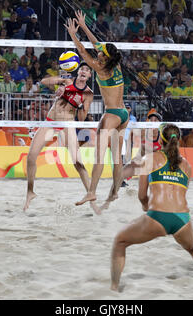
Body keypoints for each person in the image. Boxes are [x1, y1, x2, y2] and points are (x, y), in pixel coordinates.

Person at [110, 123, 193, 291]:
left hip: (158, 216)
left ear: (160, 139)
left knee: (119, 241)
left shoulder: (150, 158)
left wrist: (145, 206)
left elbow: (142, 195)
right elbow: (182, 194)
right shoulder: (187, 165)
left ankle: (113, 287)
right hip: (182, 219)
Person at [66, 11, 129, 206]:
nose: (98, 51)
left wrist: (73, 34)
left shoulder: (101, 69)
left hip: (111, 114)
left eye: (101, 52)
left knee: (99, 155)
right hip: (124, 113)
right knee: (116, 157)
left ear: (105, 57)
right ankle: (114, 192)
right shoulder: (115, 64)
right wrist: (84, 26)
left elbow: (83, 53)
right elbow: (95, 44)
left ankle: (92, 192)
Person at [23, 62, 94, 211]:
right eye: (82, 68)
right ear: (78, 71)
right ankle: (30, 191)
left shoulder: (88, 93)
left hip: (67, 124)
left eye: (87, 70)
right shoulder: (68, 81)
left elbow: (81, 118)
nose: (83, 71)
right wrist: (60, 82)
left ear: (89, 76)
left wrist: (78, 104)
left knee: (78, 162)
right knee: (31, 156)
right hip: (50, 121)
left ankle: (90, 194)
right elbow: (43, 82)